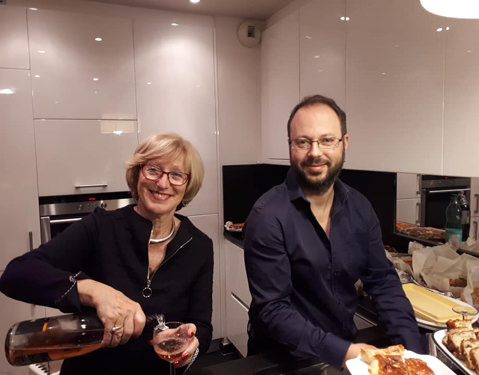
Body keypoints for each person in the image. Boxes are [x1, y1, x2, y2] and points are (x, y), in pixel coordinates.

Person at [0, 133, 214, 374]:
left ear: (187, 185)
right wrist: (94, 291)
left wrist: (189, 348)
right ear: (137, 174)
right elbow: (15, 275)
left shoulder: (199, 246)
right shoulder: (100, 227)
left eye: (176, 175)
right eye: (153, 169)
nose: (162, 184)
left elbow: (203, 328)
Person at [243, 95, 427, 370]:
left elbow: (383, 282)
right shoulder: (267, 215)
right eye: (303, 142)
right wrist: (343, 351)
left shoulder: (360, 209)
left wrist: (416, 355)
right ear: (290, 147)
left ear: (345, 143)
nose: (315, 152)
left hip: (343, 351)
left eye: (327, 140)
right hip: (281, 359)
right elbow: (273, 309)